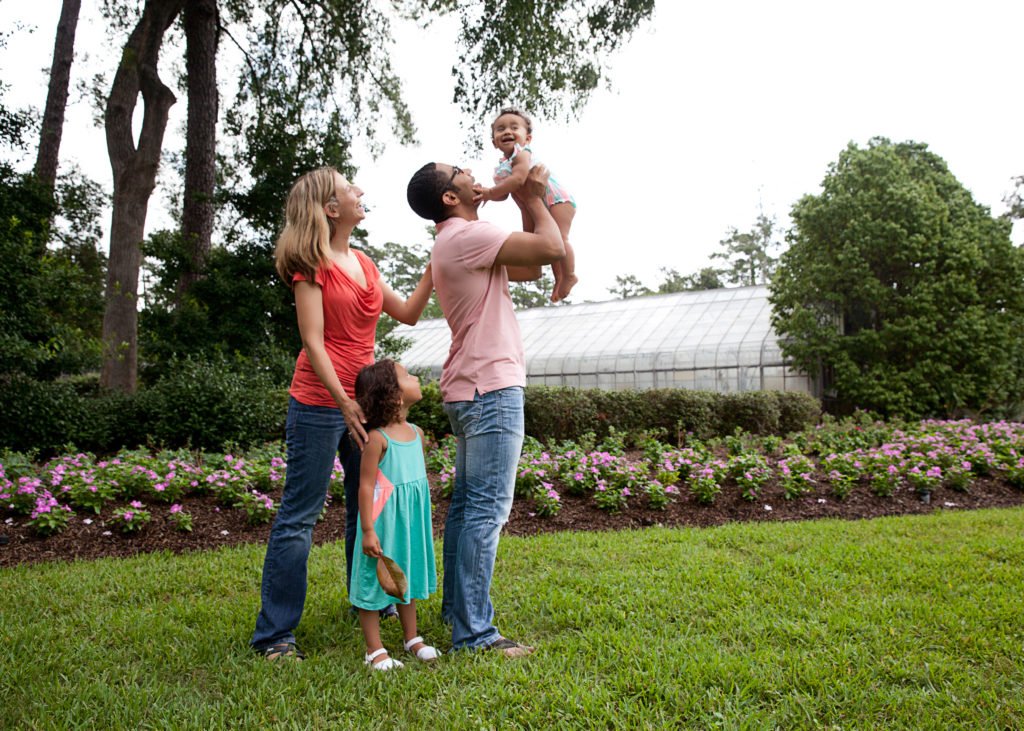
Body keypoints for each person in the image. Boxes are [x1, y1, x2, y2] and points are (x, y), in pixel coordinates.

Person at [251, 166, 434, 661]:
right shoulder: (310, 264)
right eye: (349, 188)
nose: (360, 191)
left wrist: (435, 263)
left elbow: (409, 313)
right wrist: (342, 400)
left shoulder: (365, 263)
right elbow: (312, 341)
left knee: (368, 505)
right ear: (331, 209)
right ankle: (275, 635)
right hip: (319, 401)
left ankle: (369, 599)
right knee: (300, 516)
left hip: (365, 405)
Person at [405, 160, 565, 657]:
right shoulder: (467, 236)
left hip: (469, 388)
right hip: (490, 389)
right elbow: (553, 248)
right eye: (460, 171)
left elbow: (531, 267)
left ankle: (459, 613)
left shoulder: (456, 241)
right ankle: (475, 634)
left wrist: (522, 200)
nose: (473, 171)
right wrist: (533, 196)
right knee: (486, 511)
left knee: (467, 509)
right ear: (450, 197)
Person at [349, 359, 438, 671]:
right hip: (383, 522)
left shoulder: (417, 433)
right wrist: (368, 530)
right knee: (374, 579)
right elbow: (365, 486)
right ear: (395, 395)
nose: (415, 377)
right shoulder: (378, 439)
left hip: (409, 522)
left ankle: (411, 638)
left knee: (406, 574)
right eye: (407, 375)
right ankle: (374, 649)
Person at [473, 107, 578, 302]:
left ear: (527, 138)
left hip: (557, 200)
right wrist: (487, 194)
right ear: (494, 142)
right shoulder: (503, 166)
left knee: (561, 239)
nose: (507, 131)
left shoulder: (521, 154)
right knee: (550, 243)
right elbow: (503, 195)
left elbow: (519, 179)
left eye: (514, 127)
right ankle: (559, 278)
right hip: (539, 205)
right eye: (500, 129)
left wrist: (490, 192)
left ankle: (569, 275)